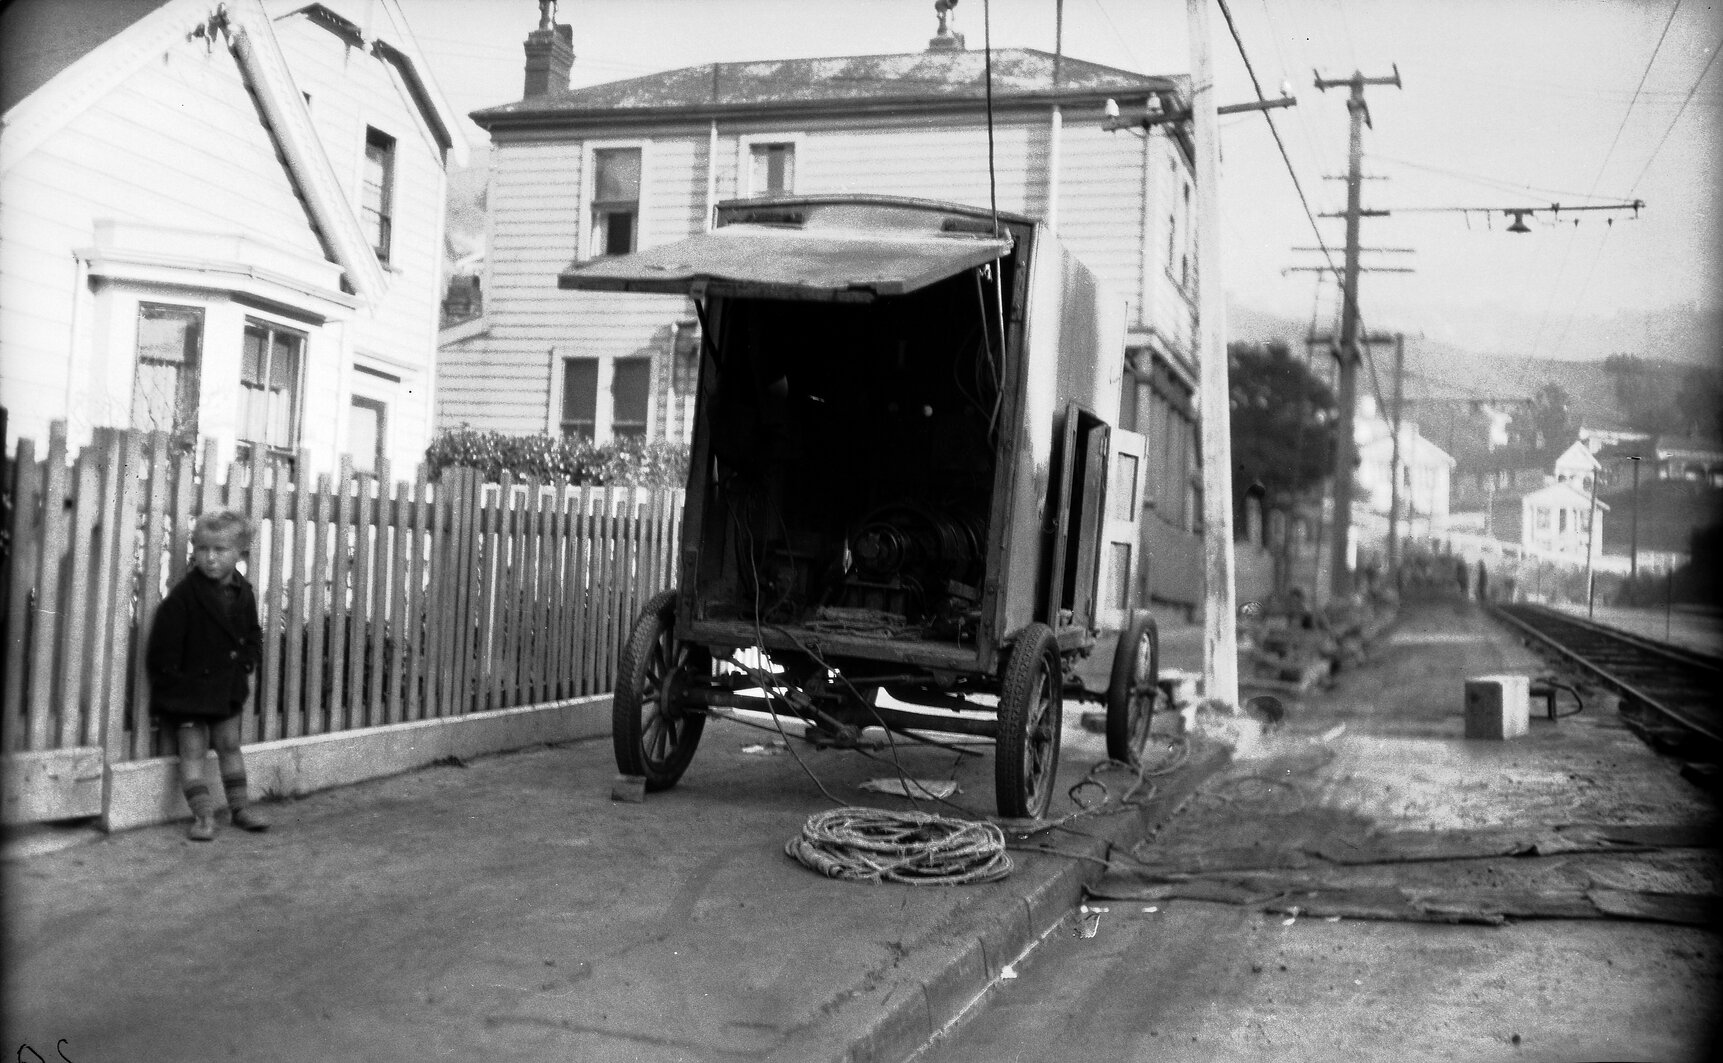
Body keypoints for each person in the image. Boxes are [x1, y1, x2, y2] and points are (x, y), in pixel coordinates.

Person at [146, 509, 269, 841]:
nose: (210, 558)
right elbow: (163, 647)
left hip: (226, 687)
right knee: (193, 751)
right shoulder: (185, 595)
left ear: (240, 552)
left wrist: (248, 660)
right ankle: (202, 816)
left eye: (220, 550)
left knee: (230, 745)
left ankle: (240, 808)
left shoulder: (244, 592)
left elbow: (252, 633)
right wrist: (174, 685)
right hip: (188, 691)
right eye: (202, 549)